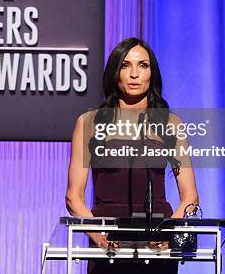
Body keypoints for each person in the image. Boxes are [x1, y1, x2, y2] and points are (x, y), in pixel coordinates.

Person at [65, 37, 199, 273]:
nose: (134, 74)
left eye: (143, 65)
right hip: (107, 241)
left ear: (152, 73)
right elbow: (73, 198)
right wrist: (99, 235)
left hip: (158, 241)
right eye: (125, 65)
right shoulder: (89, 123)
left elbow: (190, 198)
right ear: (114, 73)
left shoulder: (171, 124)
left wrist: (169, 231)